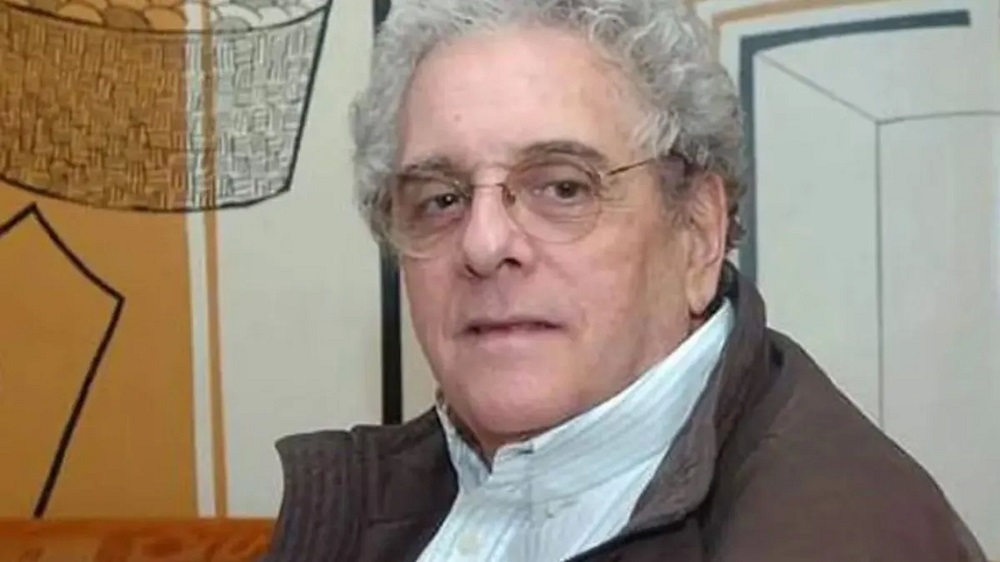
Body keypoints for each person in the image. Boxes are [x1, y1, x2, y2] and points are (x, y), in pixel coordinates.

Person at [260, 1, 987, 560]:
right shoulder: (378, 496)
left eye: (563, 187)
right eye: (441, 198)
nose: (483, 244)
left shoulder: (844, 535)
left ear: (697, 231)